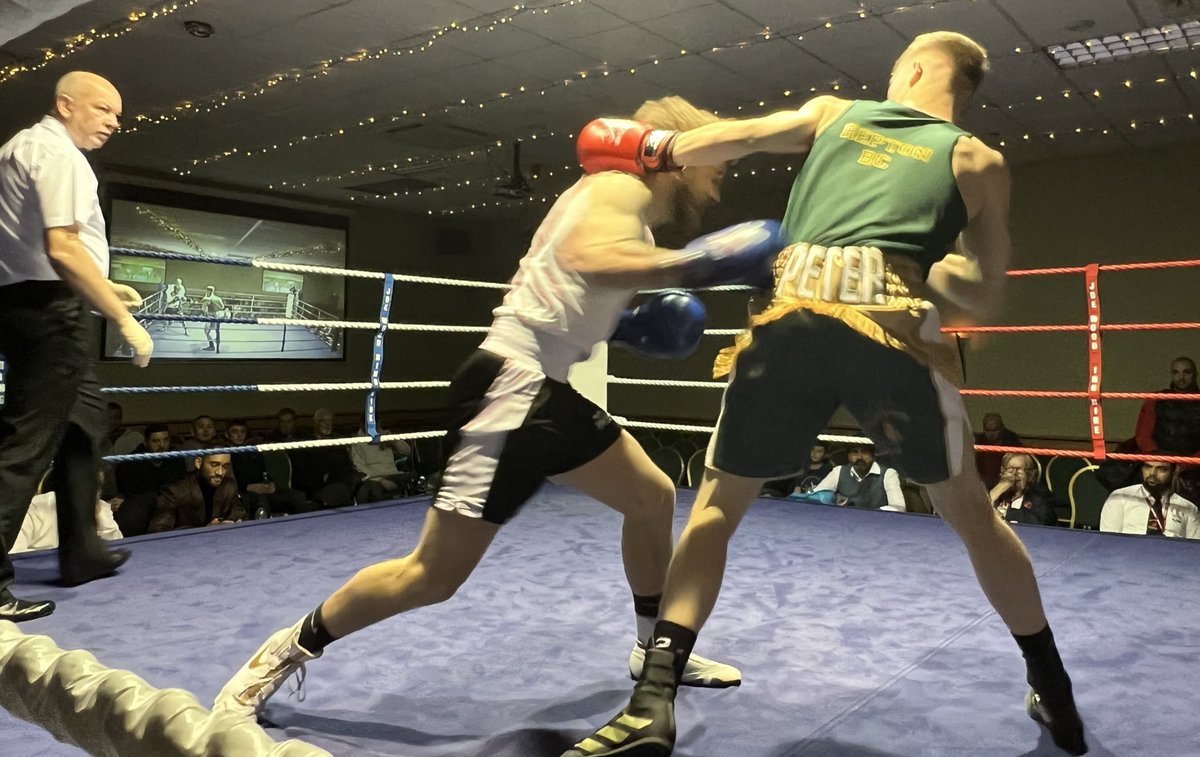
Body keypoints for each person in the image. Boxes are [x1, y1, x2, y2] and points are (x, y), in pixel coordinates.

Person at [565, 32, 1087, 756]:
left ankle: (651, 701)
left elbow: (733, 139)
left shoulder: (836, 112)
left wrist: (648, 147)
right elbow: (983, 288)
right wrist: (902, 271)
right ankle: (1056, 693)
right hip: (891, 326)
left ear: (911, 68)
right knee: (969, 510)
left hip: (792, 310)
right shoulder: (978, 159)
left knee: (716, 507)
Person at [213, 95, 786, 720]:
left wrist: (634, 326)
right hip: (509, 387)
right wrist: (700, 264)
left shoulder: (635, 222)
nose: (719, 179)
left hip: (542, 388)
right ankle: (275, 659)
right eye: (715, 162)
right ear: (680, 153)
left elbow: (577, 298)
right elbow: (588, 260)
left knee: (651, 495)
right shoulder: (616, 188)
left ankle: (653, 649)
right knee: (431, 575)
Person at [0, 71, 147, 621]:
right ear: (66, 105)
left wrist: (103, 287)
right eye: (104, 109)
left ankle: (82, 550)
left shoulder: (19, 145)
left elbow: (31, 245)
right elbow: (61, 248)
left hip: (28, 303)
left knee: (85, 425)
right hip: (49, 312)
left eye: (117, 114)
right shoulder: (59, 156)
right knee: (24, 447)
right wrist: (120, 319)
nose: (113, 122)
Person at [148, 452, 246, 533]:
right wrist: (205, 530)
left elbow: (239, 513)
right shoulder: (175, 491)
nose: (220, 472)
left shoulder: (228, 485)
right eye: (214, 465)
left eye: (225, 466)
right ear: (198, 463)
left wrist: (227, 523)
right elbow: (159, 531)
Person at [1099, 461, 1200, 538]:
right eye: (1148, 467)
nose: (1152, 473)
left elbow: (1194, 547)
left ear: (1174, 471)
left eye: (1161, 469)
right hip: (1128, 557)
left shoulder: (1189, 508)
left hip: (1171, 559)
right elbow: (1109, 540)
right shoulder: (1120, 497)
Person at [812, 442, 906, 510]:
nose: (859, 457)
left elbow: (899, 507)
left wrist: (873, 514)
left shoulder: (888, 474)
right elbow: (816, 497)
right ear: (849, 456)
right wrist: (831, 499)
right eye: (854, 452)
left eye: (864, 452)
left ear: (873, 456)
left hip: (877, 525)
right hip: (844, 523)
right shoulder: (839, 471)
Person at [990, 452, 1057, 527]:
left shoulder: (1041, 495)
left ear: (1029, 474)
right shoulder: (991, 488)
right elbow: (977, 514)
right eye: (1010, 469)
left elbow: (1038, 523)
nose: (1014, 473)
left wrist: (1004, 512)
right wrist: (1000, 488)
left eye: (1019, 469)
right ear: (1002, 471)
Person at [975, 411, 1023, 488]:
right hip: (983, 479)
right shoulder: (980, 441)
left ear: (1001, 429)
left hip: (1006, 479)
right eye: (987, 430)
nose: (991, 434)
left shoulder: (1011, 440)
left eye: (994, 430)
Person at [200, 285, 226, 352]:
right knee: (214, 330)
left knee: (208, 331)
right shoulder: (214, 298)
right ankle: (214, 344)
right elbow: (222, 307)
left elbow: (222, 307)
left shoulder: (213, 298)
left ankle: (212, 346)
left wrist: (212, 302)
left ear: (208, 291)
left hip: (213, 315)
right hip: (214, 315)